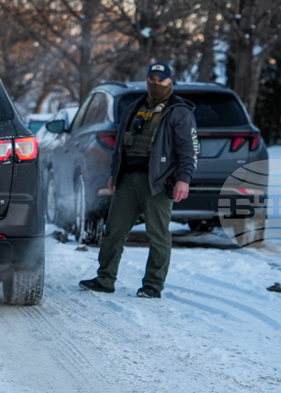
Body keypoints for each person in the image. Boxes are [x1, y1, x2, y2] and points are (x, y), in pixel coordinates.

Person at [79, 62, 199, 298]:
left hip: (158, 182)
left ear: (170, 81)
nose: (155, 84)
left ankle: (153, 285)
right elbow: (120, 147)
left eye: (160, 79)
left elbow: (189, 150)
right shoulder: (134, 108)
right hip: (128, 179)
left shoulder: (179, 111)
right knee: (114, 231)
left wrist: (183, 179)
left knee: (158, 235)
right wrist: (115, 174)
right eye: (151, 79)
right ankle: (105, 278)